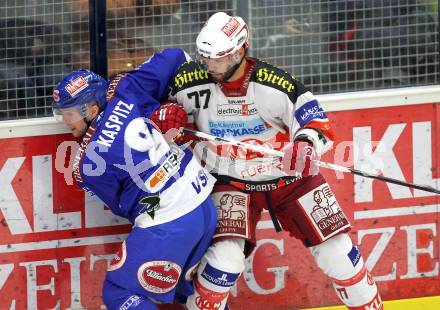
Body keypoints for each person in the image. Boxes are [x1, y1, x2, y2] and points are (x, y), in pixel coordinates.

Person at [151, 12, 384, 310]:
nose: (210, 65)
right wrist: (163, 117)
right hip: (228, 181)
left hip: (289, 179)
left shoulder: (274, 82)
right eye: (205, 57)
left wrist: (306, 144)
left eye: (218, 58)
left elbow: (316, 121)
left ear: (239, 51)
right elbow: (150, 112)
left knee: (340, 256)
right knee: (224, 262)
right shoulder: (188, 81)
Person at [52, 48, 218, 309]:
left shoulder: (88, 163)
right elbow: (177, 57)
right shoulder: (127, 89)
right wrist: (174, 102)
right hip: (204, 204)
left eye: (69, 113)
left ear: (92, 109)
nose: (63, 120)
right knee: (188, 294)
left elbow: (123, 206)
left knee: (118, 293)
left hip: (171, 223)